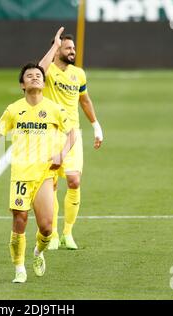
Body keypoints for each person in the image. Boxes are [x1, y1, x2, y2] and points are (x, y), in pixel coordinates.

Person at [0, 62, 76, 283]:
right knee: (20, 220)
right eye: (29, 76)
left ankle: (38, 253)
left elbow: (72, 134)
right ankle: (19, 268)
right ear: (22, 84)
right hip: (20, 174)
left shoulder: (54, 109)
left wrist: (62, 154)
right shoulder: (13, 110)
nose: (35, 77)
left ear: (43, 81)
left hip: (44, 174)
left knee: (47, 228)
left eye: (38, 75)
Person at [39, 27, 103, 250]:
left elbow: (84, 100)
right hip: (49, 135)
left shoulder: (79, 74)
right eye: (67, 48)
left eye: (73, 47)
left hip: (71, 135)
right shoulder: (47, 71)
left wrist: (96, 126)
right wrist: (54, 46)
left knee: (74, 181)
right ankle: (54, 234)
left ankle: (68, 232)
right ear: (57, 50)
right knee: (53, 185)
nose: (72, 51)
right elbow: (37, 71)